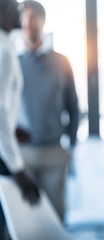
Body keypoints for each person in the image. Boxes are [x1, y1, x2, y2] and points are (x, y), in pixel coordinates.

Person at [15, 0, 79, 221]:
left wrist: (71, 144)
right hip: (23, 156)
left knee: (55, 217)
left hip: (55, 152)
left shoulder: (62, 62)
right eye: (24, 17)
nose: (28, 22)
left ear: (43, 21)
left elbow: (73, 105)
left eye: (33, 16)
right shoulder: (13, 63)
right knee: (24, 218)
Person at [0, 0, 40, 239]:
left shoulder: (6, 46)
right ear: (4, 14)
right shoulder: (3, 51)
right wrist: (18, 169)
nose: (21, 12)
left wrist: (13, 129)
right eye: (16, 7)